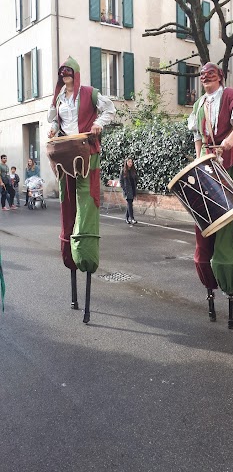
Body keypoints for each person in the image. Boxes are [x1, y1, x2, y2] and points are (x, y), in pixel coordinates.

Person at [47, 56, 116, 322]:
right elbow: (54, 122)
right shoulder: (58, 98)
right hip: (66, 152)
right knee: (68, 203)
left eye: (69, 74)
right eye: (62, 74)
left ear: (76, 74)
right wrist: (54, 130)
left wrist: (99, 124)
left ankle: (86, 252)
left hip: (86, 150)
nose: (66, 78)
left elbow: (109, 110)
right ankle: (69, 253)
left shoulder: (90, 93)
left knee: (87, 201)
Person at [187, 62, 233, 322]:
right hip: (207, 163)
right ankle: (208, 280)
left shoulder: (231, 96)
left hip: (227, 160)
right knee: (204, 219)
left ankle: (228, 276)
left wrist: (230, 140)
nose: (206, 80)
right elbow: (196, 135)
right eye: (203, 77)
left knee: (228, 218)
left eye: (210, 76)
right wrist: (197, 159)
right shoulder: (199, 104)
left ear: (220, 78)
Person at [119, 157, 138, 224]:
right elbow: (121, 181)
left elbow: (135, 179)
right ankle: (132, 218)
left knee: (129, 204)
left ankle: (126, 218)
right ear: (126, 163)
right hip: (127, 190)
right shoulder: (123, 170)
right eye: (129, 162)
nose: (130, 163)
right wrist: (124, 189)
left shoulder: (133, 170)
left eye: (131, 162)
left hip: (132, 189)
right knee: (130, 204)